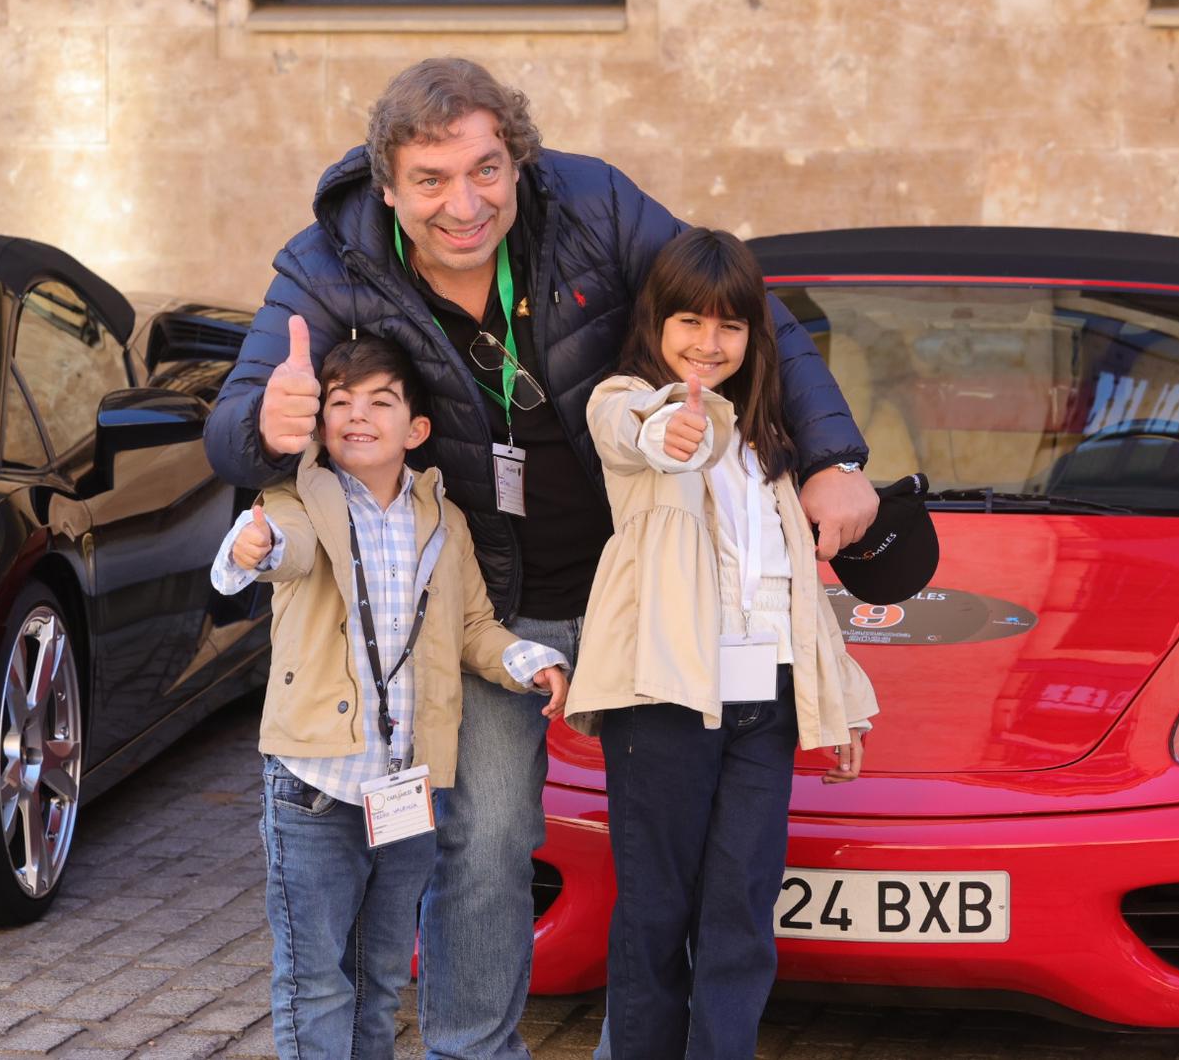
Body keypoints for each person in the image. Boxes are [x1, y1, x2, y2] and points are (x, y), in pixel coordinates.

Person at [205, 57, 878, 1059]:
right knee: (485, 844)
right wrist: (267, 423)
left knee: (669, 859)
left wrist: (831, 457)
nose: (463, 203)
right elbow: (231, 432)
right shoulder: (328, 265)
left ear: (517, 160)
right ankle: (471, 1050)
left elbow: (742, 309)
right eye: (430, 180)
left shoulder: (593, 206)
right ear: (386, 185)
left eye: (485, 169)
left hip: (637, 590)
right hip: (483, 608)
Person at [210, 326, 570, 1060]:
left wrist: (526, 660)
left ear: (417, 429)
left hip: (406, 790)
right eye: (340, 402)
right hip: (314, 785)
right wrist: (253, 547)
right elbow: (281, 549)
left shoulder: (443, 519)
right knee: (315, 981)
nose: (358, 416)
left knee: (378, 979)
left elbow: (473, 627)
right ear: (320, 423)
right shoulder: (296, 499)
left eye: (380, 401)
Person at [565, 228, 878, 1059]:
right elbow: (634, 427)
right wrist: (669, 428)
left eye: (729, 326)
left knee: (741, 913)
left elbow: (796, 589)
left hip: (764, 701)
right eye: (690, 322)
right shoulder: (627, 401)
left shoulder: (772, 442)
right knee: (655, 913)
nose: (708, 343)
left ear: (751, 334)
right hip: (664, 697)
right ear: (655, 321)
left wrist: (841, 702)